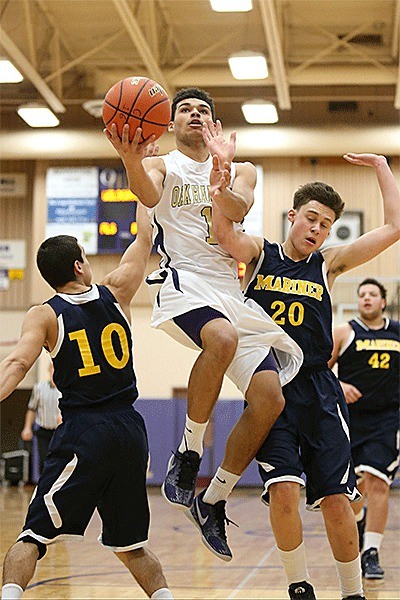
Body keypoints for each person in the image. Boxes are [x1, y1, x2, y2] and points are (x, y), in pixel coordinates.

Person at [105, 87, 303, 561]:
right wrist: (131, 159)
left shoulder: (243, 168)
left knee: (270, 398)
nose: (194, 114)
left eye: (203, 110)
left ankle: (213, 498)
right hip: (184, 279)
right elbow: (147, 193)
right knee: (222, 338)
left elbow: (236, 210)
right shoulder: (161, 165)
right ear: (170, 123)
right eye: (185, 110)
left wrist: (221, 174)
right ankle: (188, 453)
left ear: (215, 124)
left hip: (230, 289)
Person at [211, 151, 400, 600]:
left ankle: (352, 593)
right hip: (270, 387)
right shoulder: (261, 253)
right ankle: (299, 586)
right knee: (283, 491)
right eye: (311, 219)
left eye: (325, 225)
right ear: (293, 216)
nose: (316, 229)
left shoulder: (327, 264)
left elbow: (394, 228)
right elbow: (224, 234)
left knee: (336, 500)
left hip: (318, 389)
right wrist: (221, 186)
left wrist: (382, 167)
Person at [0, 203, 173, 600]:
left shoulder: (44, 315)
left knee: (32, 536)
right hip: (130, 431)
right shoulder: (118, 291)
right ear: (79, 266)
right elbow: (144, 238)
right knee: (131, 546)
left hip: (85, 431)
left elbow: (17, 364)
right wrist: (144, 183)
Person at [329, 278, 399, 581]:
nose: (366, 298)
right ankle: (359, 521)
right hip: (350, 420)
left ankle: (370, 552)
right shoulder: (344, 332)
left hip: (388, 418)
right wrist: (339, 385)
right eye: (362, 294)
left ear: (383, 301)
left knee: (378, 481)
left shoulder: (397, 332)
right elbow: (318, 370)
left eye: (372, 294)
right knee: (352, 490)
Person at [21, 362, 62, 476]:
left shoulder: (66, 390)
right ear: (49, 370)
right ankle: (44, 485)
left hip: (60, 432)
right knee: (44, 460)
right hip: (43, 431)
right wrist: (27, 428)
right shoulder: (39, 388)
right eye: (53, 368)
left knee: (60, 460)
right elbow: (32, 409)